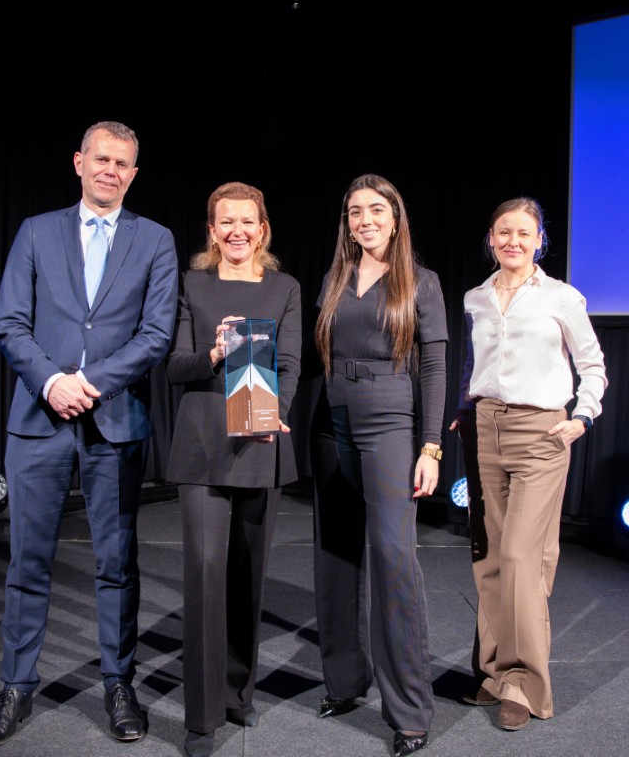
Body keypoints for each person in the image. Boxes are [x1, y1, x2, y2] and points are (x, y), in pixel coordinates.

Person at [0, 120, 179, 749]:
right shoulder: (36, 231)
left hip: (115, 421)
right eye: (101, 159)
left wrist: (89, 382)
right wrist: (51, 382)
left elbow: (156, 334)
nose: (110, 170)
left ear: (133, 174)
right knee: (28, 560)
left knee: (116, 563)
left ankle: (119, 684)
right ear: (78, 162)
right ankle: (15, 687)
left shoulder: (156, 240)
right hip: (39, 419)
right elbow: (9, 321)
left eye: (122, 163)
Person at [449, 197, 606, 732]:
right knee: (489, 557)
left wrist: (582, 416)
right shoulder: (475, 297)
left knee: (522, 557)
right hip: (484, 428)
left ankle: (526, 684)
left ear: (540, 240)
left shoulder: (562, 297)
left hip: (541, 431)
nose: (512, 241)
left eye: (523, 233)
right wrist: (464, 407)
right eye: (503, 232)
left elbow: (592, 365)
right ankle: (494, 674)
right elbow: (473, 362)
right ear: (490, 239)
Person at [309, 174, 446, 757]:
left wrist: (430, 446)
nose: (364, 220)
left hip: (389, 422)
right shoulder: (335, 277)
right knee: (335, 555)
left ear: (395, 217)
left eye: (375, 210)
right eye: (354, 212)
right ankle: (344, 682)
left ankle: (409, 712)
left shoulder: (422, 281)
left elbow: (434, 368)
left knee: (393, 558)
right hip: (329, 421)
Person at [165, 182, 302, 757]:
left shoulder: (285, 288)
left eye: (248, 221)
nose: (237, 231)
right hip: (202, 448)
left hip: (259, 444)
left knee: (248, 577)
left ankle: (237, 693)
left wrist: (276, 413)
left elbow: (290, 364)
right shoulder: (191, 284)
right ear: (212, 230)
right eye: (226, 222)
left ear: (262, 228)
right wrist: (215, 354)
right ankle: (202, 720)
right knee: (204, 573)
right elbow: (174, 366)